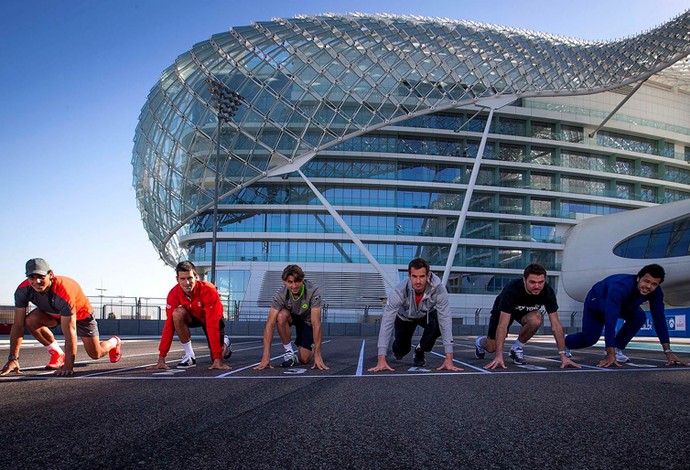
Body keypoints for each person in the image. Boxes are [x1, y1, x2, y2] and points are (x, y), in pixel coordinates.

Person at [0, 258, 121, 377]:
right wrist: (13, 358)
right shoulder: (23, 290)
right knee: (30, 320)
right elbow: (18, 325)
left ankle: (114, 342)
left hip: (81, 315)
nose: (36, 281)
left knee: (96, 354)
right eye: (32, 277)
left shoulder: (64, 291)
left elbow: (70, 332)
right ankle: (57, 353)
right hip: (52, 313)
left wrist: (68, 366)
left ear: (50, 274)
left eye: (41, 277)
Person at [565, 264, 688, 368]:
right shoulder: (619, 286)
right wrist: (609, 352)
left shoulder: (655, 292)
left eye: (654, 284)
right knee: (589, 339)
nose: (648, 286)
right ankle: (565, 341)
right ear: (638, 278)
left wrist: (668, 351)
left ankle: (618, 348)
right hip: (597, 304)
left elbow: (659, 319)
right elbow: (610, 320)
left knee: (639, 317)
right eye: (646, 281)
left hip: (624, 305)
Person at [476, 263, 580, 370]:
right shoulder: (512, 290)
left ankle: (517, 347)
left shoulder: (547, 291)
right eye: (532, 282)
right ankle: (479, 342)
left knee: (536, 319)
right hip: (504, 311)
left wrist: (563, 356)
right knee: (491, 347)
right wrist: (499, 356)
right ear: (524, 280)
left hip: (526, 312)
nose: (537, 286)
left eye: (541, 282)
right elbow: (502, 326)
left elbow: (556, 325)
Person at [368, 258, 462, 372]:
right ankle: (397, 346)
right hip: (405, 318)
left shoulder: (439, 290)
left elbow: (445, 320)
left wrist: (449, 358)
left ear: (428, 276)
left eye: (422, 276)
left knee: (438, 323)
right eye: (414, 276)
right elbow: (386, 323)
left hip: (425, 314)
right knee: (402, 350)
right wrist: (381, 358)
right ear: (409, 276)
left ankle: (420, 350)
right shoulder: (398, 292)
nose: (418, 281)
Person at [149, 261, 231, 371]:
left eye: (189, 278)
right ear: (177, 279)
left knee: (216, 356)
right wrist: (161, 358)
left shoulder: (209, 290)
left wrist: (217, 358)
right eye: (182, 279)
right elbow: (169, 326)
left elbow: (212, 325)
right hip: (193, 316)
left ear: (196, 276)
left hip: (211, 318)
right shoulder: (173, 294)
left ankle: (225, 343)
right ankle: (189, 355)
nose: (187, 283)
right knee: (177, 314)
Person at [254, 264, 328, 370]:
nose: (294, 286)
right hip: (290, 317)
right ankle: (289, 352)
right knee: (281, 315)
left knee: (304, 359)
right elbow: (269, 324)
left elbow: (316, 323)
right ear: (285, 281)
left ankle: (306, 346)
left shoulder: (313, 291)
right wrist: (266, 356)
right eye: (290, 282)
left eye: (297, 281)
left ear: (302, 279)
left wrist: (318, 355)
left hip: (306, 321)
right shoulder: (280, 295)